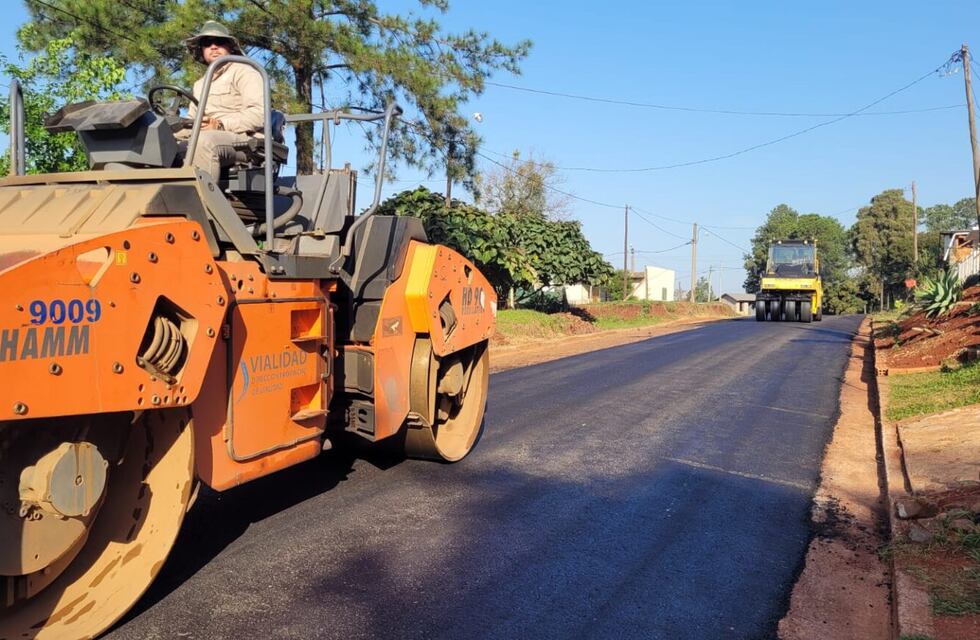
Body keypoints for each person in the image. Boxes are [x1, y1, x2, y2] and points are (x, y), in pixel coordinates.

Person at [180, 21, 265, 180]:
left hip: (245, 142)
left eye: (219, 42)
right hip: (204, 136)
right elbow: (191, 120)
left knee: (204, 142)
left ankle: (201, 203)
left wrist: (220, 125)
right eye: (207, 43)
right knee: (157, 141)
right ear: (202, 49)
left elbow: (259, 114)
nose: (213, 46)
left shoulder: (245, 72)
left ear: (230, 46)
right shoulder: (199, 84)